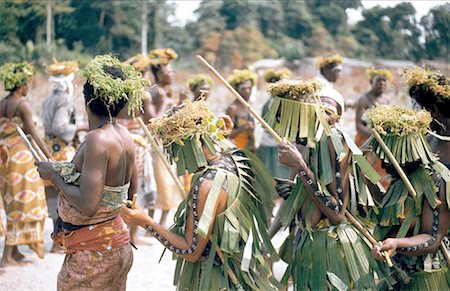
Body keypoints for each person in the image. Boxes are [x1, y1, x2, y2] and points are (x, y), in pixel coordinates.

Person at [121, 100, 280, 290]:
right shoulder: (237, 158)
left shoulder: (208, 185)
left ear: (186, 145)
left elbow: (191, 250)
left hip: (218, 280)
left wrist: (145, 221)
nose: (176, 160)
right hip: (244, 270)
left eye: (174, 150)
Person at [35, 55, 148, 290]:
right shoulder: (125, 135)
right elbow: (131, 191)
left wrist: (53, 176)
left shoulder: (97, 139)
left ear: (87, 100)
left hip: (95, 253)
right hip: (116, 244)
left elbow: (88, 204)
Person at [265, 79, 391, 290]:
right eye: (319, 107)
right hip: (309, 246)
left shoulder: (333, 141)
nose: (323, 114)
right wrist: (295, 190)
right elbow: (314, 191)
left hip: (332, 252)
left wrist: (301, 167)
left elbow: (336, 213)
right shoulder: (309, 141)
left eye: (329, 109)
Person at [364, 105, 450, 290]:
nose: (385, 164)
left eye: (387, 157)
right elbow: (391, 212)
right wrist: (366, 173)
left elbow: (432, 239)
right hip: (399, 273)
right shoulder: (402, 177)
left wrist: (396, 243)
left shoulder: (435, 180)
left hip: (425, 277)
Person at [0, 62, 51, 266]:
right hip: (21, 162)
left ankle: (16, 250)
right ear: (21, 84)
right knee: (24, 205)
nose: (28, 87)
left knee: (12, 204)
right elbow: (34, 134)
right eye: (27, 84)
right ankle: (7, 255)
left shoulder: (2, 103)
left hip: (5, 160)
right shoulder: (22, 105)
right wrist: (48, 157)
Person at [42, 60, 87, 252]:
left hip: (50, 148)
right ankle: (63, 240)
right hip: (62, 150)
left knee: (53, 195)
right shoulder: (64, 100)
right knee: (66, 193)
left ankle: (56, 239)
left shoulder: (48, 99)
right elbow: (60, 127)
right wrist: (81, 126)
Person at [121, 53, 158, 245]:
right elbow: (152, 120)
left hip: (118, 141)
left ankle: (123, 233)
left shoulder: (119, 92)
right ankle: (133, 236)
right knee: (137, 189)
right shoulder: (143, 95)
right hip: (136, 145)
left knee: (121, 187)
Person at [147, 48, 180, 227]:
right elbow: (152, 120)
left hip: (167, 143)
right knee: (158, 183)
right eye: (168, 72)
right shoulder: (155, 92)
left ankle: (161, 222)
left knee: (167, 183)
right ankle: (152, 222)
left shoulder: (166, 91)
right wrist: (166, 103)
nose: (172, 75)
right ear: (158, 73)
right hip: (155, 144)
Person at [257, 68, 290, 179]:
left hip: (281, 142)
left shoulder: (284, 102)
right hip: (271, 144)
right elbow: (263, 123)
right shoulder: (270, 103)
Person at [355, 67, 391, 146]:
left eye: (384, 80)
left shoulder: (387, 99)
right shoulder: (364, 99)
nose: (382, 83)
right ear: (371, 82)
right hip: (365, 141)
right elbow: (358, 126)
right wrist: (374, 136)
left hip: (382, 142)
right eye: (378, 80)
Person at [225, 69, 257, 152]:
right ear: (236, 90)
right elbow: (226, 134)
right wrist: (243, 128)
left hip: (249, 150)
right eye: (243, 89)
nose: (247, 91)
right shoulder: (233, 108)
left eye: (250, 88)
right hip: (236, 151)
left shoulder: (248, 107)